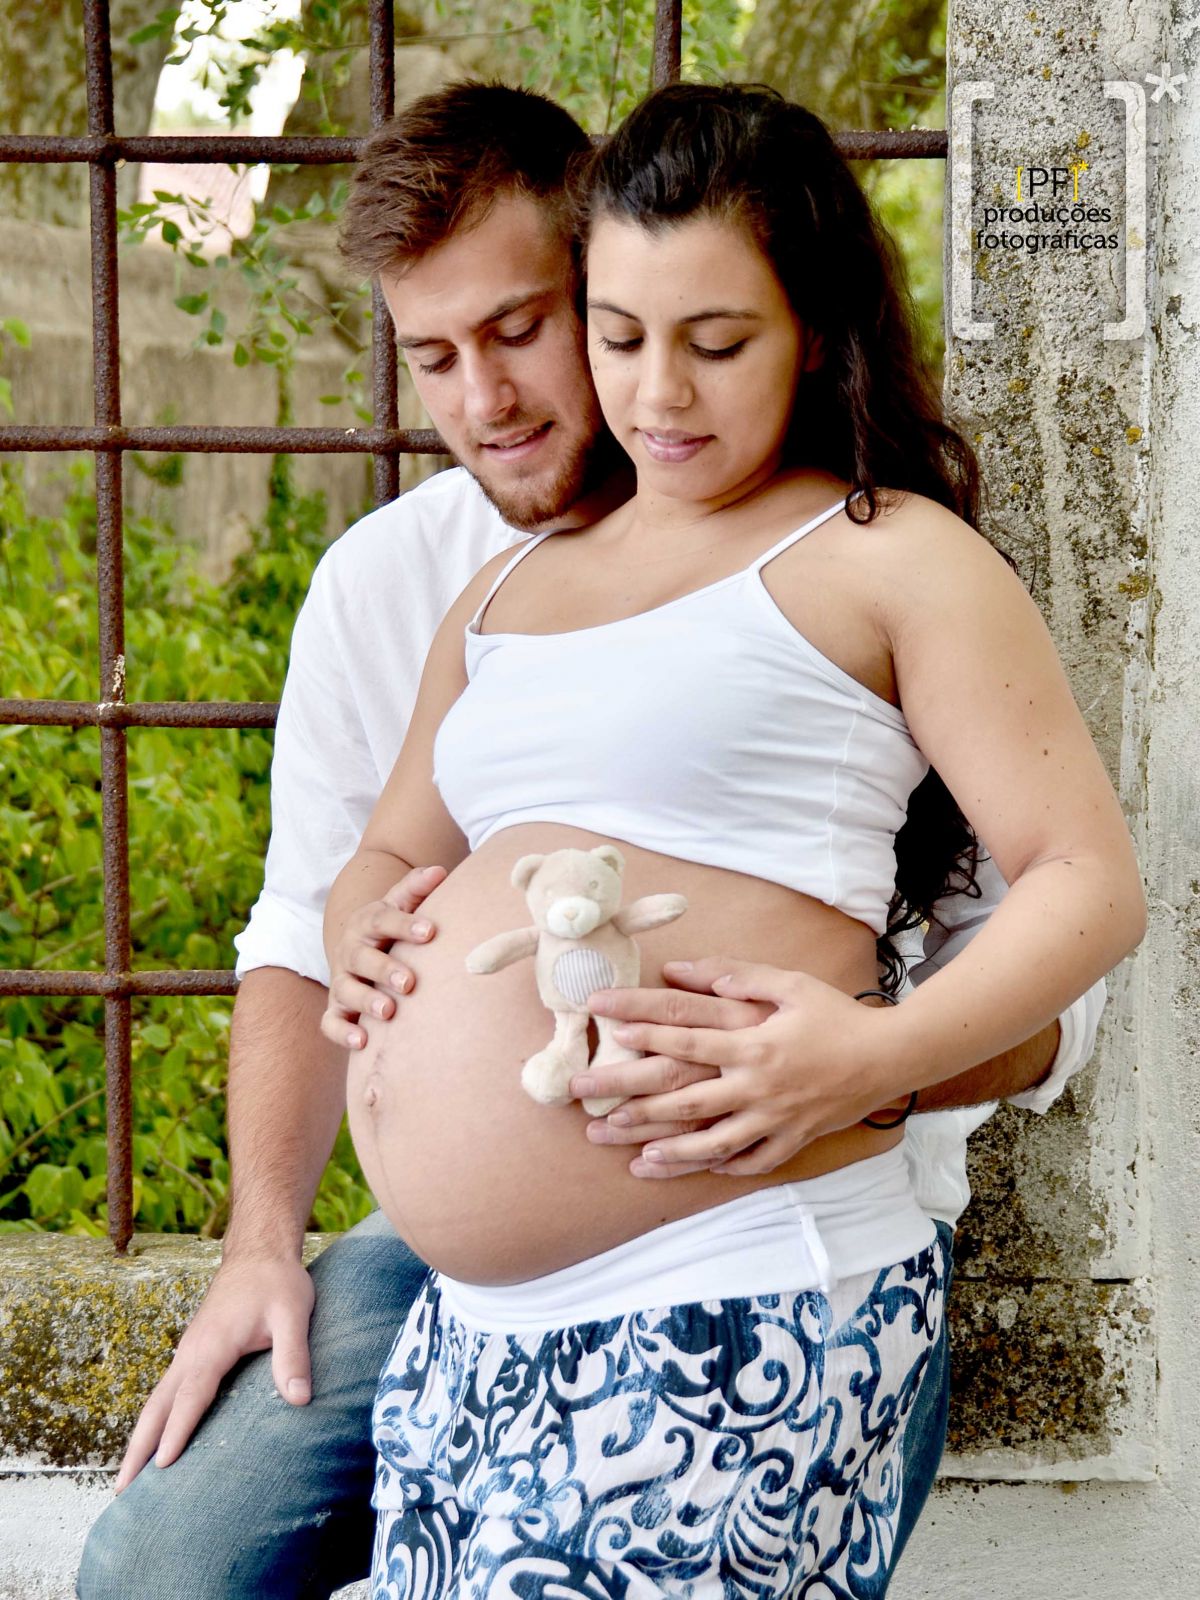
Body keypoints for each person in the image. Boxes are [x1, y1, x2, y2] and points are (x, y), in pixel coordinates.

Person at [76, 82, 1112, 1600]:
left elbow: (1076, 902)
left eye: (711, 343)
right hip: (471, 1322)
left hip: (731, 1272)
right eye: (622, 340)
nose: (650, 393)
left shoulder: (879, 555)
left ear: (806, 329)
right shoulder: (477, 582)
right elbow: (349, 878)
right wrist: (359, 963)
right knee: (161, 1567)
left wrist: (856, 1056)